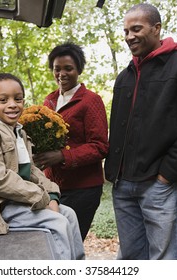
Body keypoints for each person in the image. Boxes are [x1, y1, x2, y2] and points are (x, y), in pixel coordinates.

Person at [104, 3, 177, 260]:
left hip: (159, 183)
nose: (129, 36)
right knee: (130, 258)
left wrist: (167, 175)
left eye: (136, 28)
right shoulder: (124, 76)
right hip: (123, 184)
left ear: (156, 28)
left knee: (164, 260)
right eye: (126, 31)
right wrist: (114, 172)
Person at [0, 73, 85, 260]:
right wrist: (40, 197)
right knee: (57, 222)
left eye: (18, 99)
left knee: (69, 214)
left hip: (15, 201)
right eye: (3, 100)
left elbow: (32, 171)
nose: (12, 104)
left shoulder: (19, 133)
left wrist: (51, 195)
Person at [33, 42, 109, 241]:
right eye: (57, 69)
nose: (62, 74)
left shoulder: (91, 100)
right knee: (53, 241)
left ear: (79, 70)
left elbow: (100, 146)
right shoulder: (49, 101)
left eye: (68, 68)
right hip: (52, 187)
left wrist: (62, 156)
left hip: (82, 188)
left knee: (70, 241)